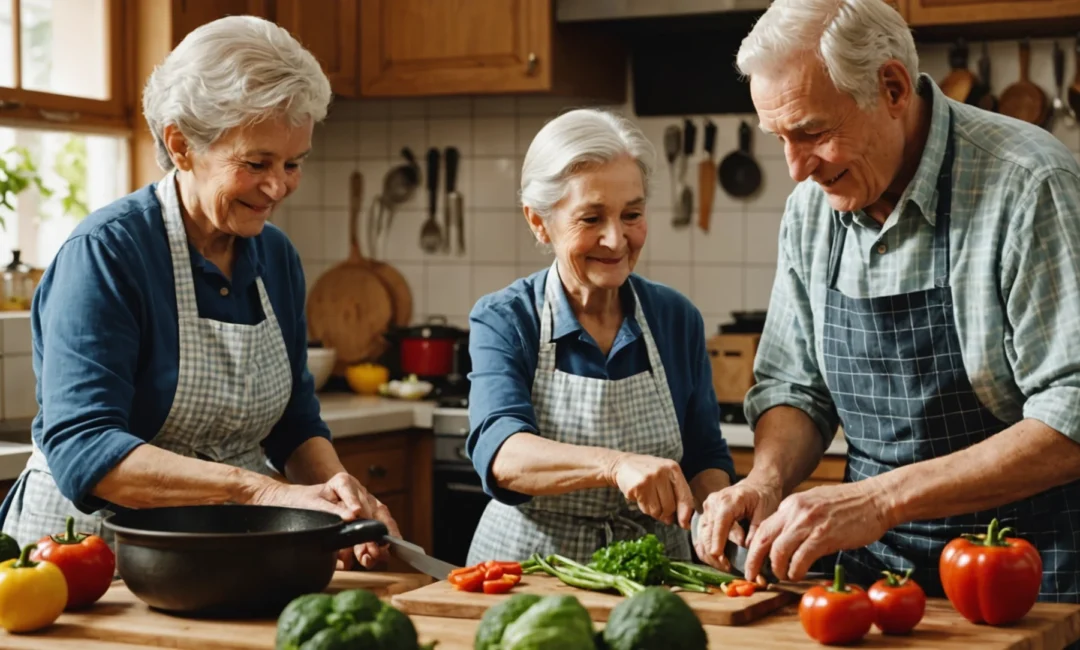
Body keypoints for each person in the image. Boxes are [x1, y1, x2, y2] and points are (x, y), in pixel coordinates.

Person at [695, 0, 1080, 608]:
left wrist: (877, 500)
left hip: (1024, 571)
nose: (797, 170)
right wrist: (765, 482)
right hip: (873, 583)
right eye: (781, 139)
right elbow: (796, 387)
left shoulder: (1028, 184)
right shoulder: (811, 210)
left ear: (893, 87)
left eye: (814, 132)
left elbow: (1073, 413)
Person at [0, 15, 399, 569]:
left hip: (212, 550)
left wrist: (341, 493)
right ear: (182, 144)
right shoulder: (107, 253)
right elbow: (85, 451)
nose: (278, 185)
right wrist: (263, 492)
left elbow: (294, 424)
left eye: (293, 164)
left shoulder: (275, 257)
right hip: (83, 558)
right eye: (256, 163)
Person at [464, 108, 737, 565]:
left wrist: (717, 516)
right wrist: (615, 466)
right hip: (531, 573)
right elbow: (502, 453)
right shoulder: (507, 317)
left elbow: (705, 454)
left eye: (632, 214)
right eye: (591, 219)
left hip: (658, 570)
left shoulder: (675, 317)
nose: (616, 239)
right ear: (538, 221)